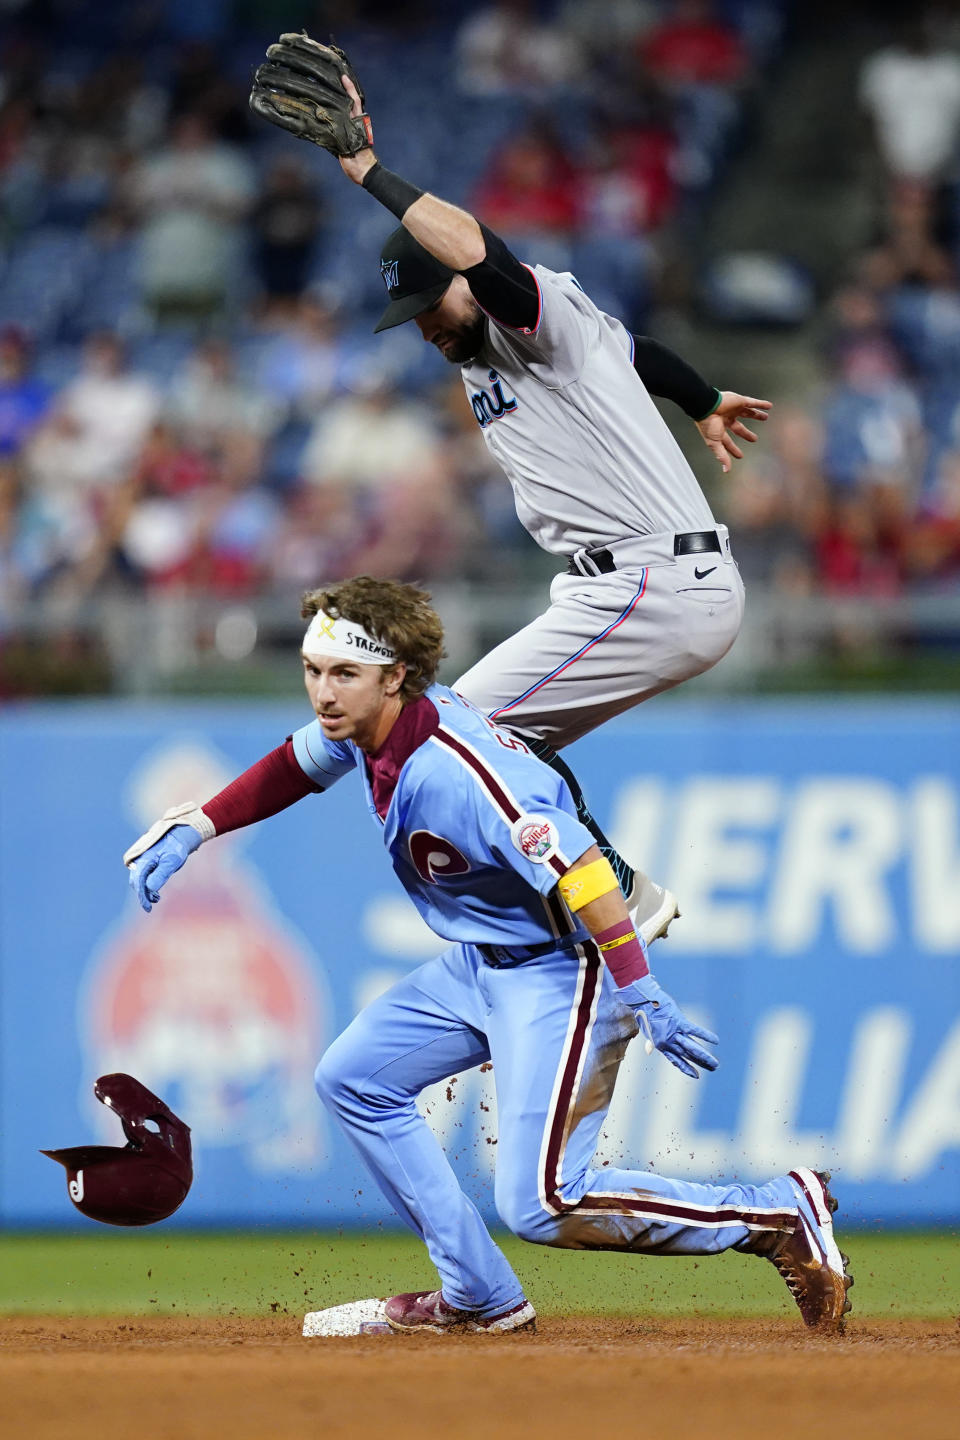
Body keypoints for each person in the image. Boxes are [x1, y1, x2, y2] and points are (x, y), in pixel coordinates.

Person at [124, 577, 853, 1334]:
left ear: (395, 677)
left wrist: (639, 988)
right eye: (314, 670)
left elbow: (582, 866)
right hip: (482, 964)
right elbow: (294, 766)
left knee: (545, 1203)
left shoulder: (457, 770)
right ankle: (478, 1295)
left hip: (562, 969)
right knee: (354, 1079)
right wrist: (201, 825)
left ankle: (774, 1210)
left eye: (344, 674)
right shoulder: (373, 731)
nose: (323, 692)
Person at [248, 36, 774, 949]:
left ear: (459, 284)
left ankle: (608, 896)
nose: (424, 332)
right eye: (407, 322)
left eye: (429, 308)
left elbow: (482, 252)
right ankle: (587, 904)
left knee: (461, 729)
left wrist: (366, 167)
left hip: (653, 583)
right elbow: (632, 350)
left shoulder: (528, 319)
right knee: (484, 739)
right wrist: (702, 400)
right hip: (618, 584)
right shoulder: (500, 348)